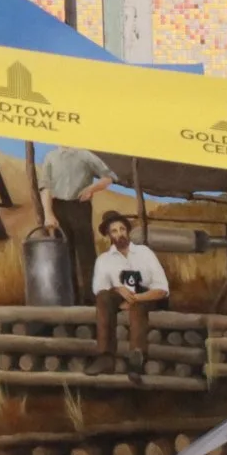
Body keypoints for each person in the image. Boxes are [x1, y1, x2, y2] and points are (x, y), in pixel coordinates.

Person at [88, 212, 170, 376]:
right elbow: (98, 288)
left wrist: (137, 297)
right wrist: (118, 289)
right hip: (121, 298)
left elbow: (162, 288)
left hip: (149, 297)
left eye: (122, 229)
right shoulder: (104, 259)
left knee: (138, 305)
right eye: (115, 231)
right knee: (104, 297)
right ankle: (105, 357)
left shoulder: (144, 252)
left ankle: (136, 359)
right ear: (109, 235)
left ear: (128, 231)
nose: (120, 234)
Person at [38, 145, 118, 297]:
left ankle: (92, 299)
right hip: (58, 208)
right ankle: (69, 299)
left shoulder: (85, 155)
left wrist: (91, 189)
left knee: (86, 253)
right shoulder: (51, 157)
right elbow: (45, 186)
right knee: (64, 254)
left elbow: (109, 177)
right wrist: (48, 214)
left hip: (79, 206)